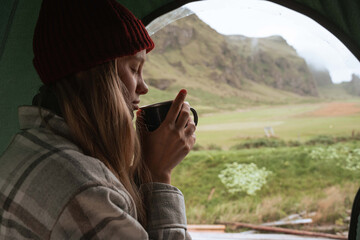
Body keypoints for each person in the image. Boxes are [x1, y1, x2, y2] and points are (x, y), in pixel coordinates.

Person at [0, 0, 196, 239]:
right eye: (134, 69)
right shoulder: (86, 192)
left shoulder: (27, 146)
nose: (143, 87)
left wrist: (143, 169)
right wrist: (159, 175)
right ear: (94, 76)